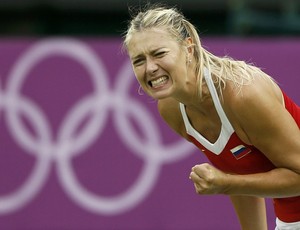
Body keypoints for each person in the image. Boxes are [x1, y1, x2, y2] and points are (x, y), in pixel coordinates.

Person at [123, 5, 300, 230]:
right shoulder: (171, 109)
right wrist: (228, 184)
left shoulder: (242, 95)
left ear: (188, 49)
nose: (150, 68)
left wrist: (225, 183)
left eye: (159, 54)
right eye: (138, 60)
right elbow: (240, 175)